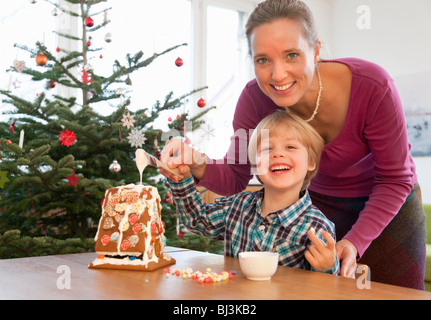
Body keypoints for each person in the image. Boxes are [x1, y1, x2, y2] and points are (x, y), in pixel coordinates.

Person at [161, 0, 426, 290]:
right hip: (319, 206)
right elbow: (236, 174)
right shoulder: (252, 101)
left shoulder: (374, 86)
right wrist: (197, 163)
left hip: (388, 207)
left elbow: (395, 179)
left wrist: (354, 241)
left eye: (291, 55)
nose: (278, 75)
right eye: (262, 60)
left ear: (315, 50)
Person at [167, 109, 340, 274]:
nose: (278, 154)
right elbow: (195, 219)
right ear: (255, 164)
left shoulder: (318, 228)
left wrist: (326, 266)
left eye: (290, 147)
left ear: (311, 162)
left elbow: (326, 291)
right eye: (267, 149)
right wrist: (181, 179)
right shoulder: (237, 207)